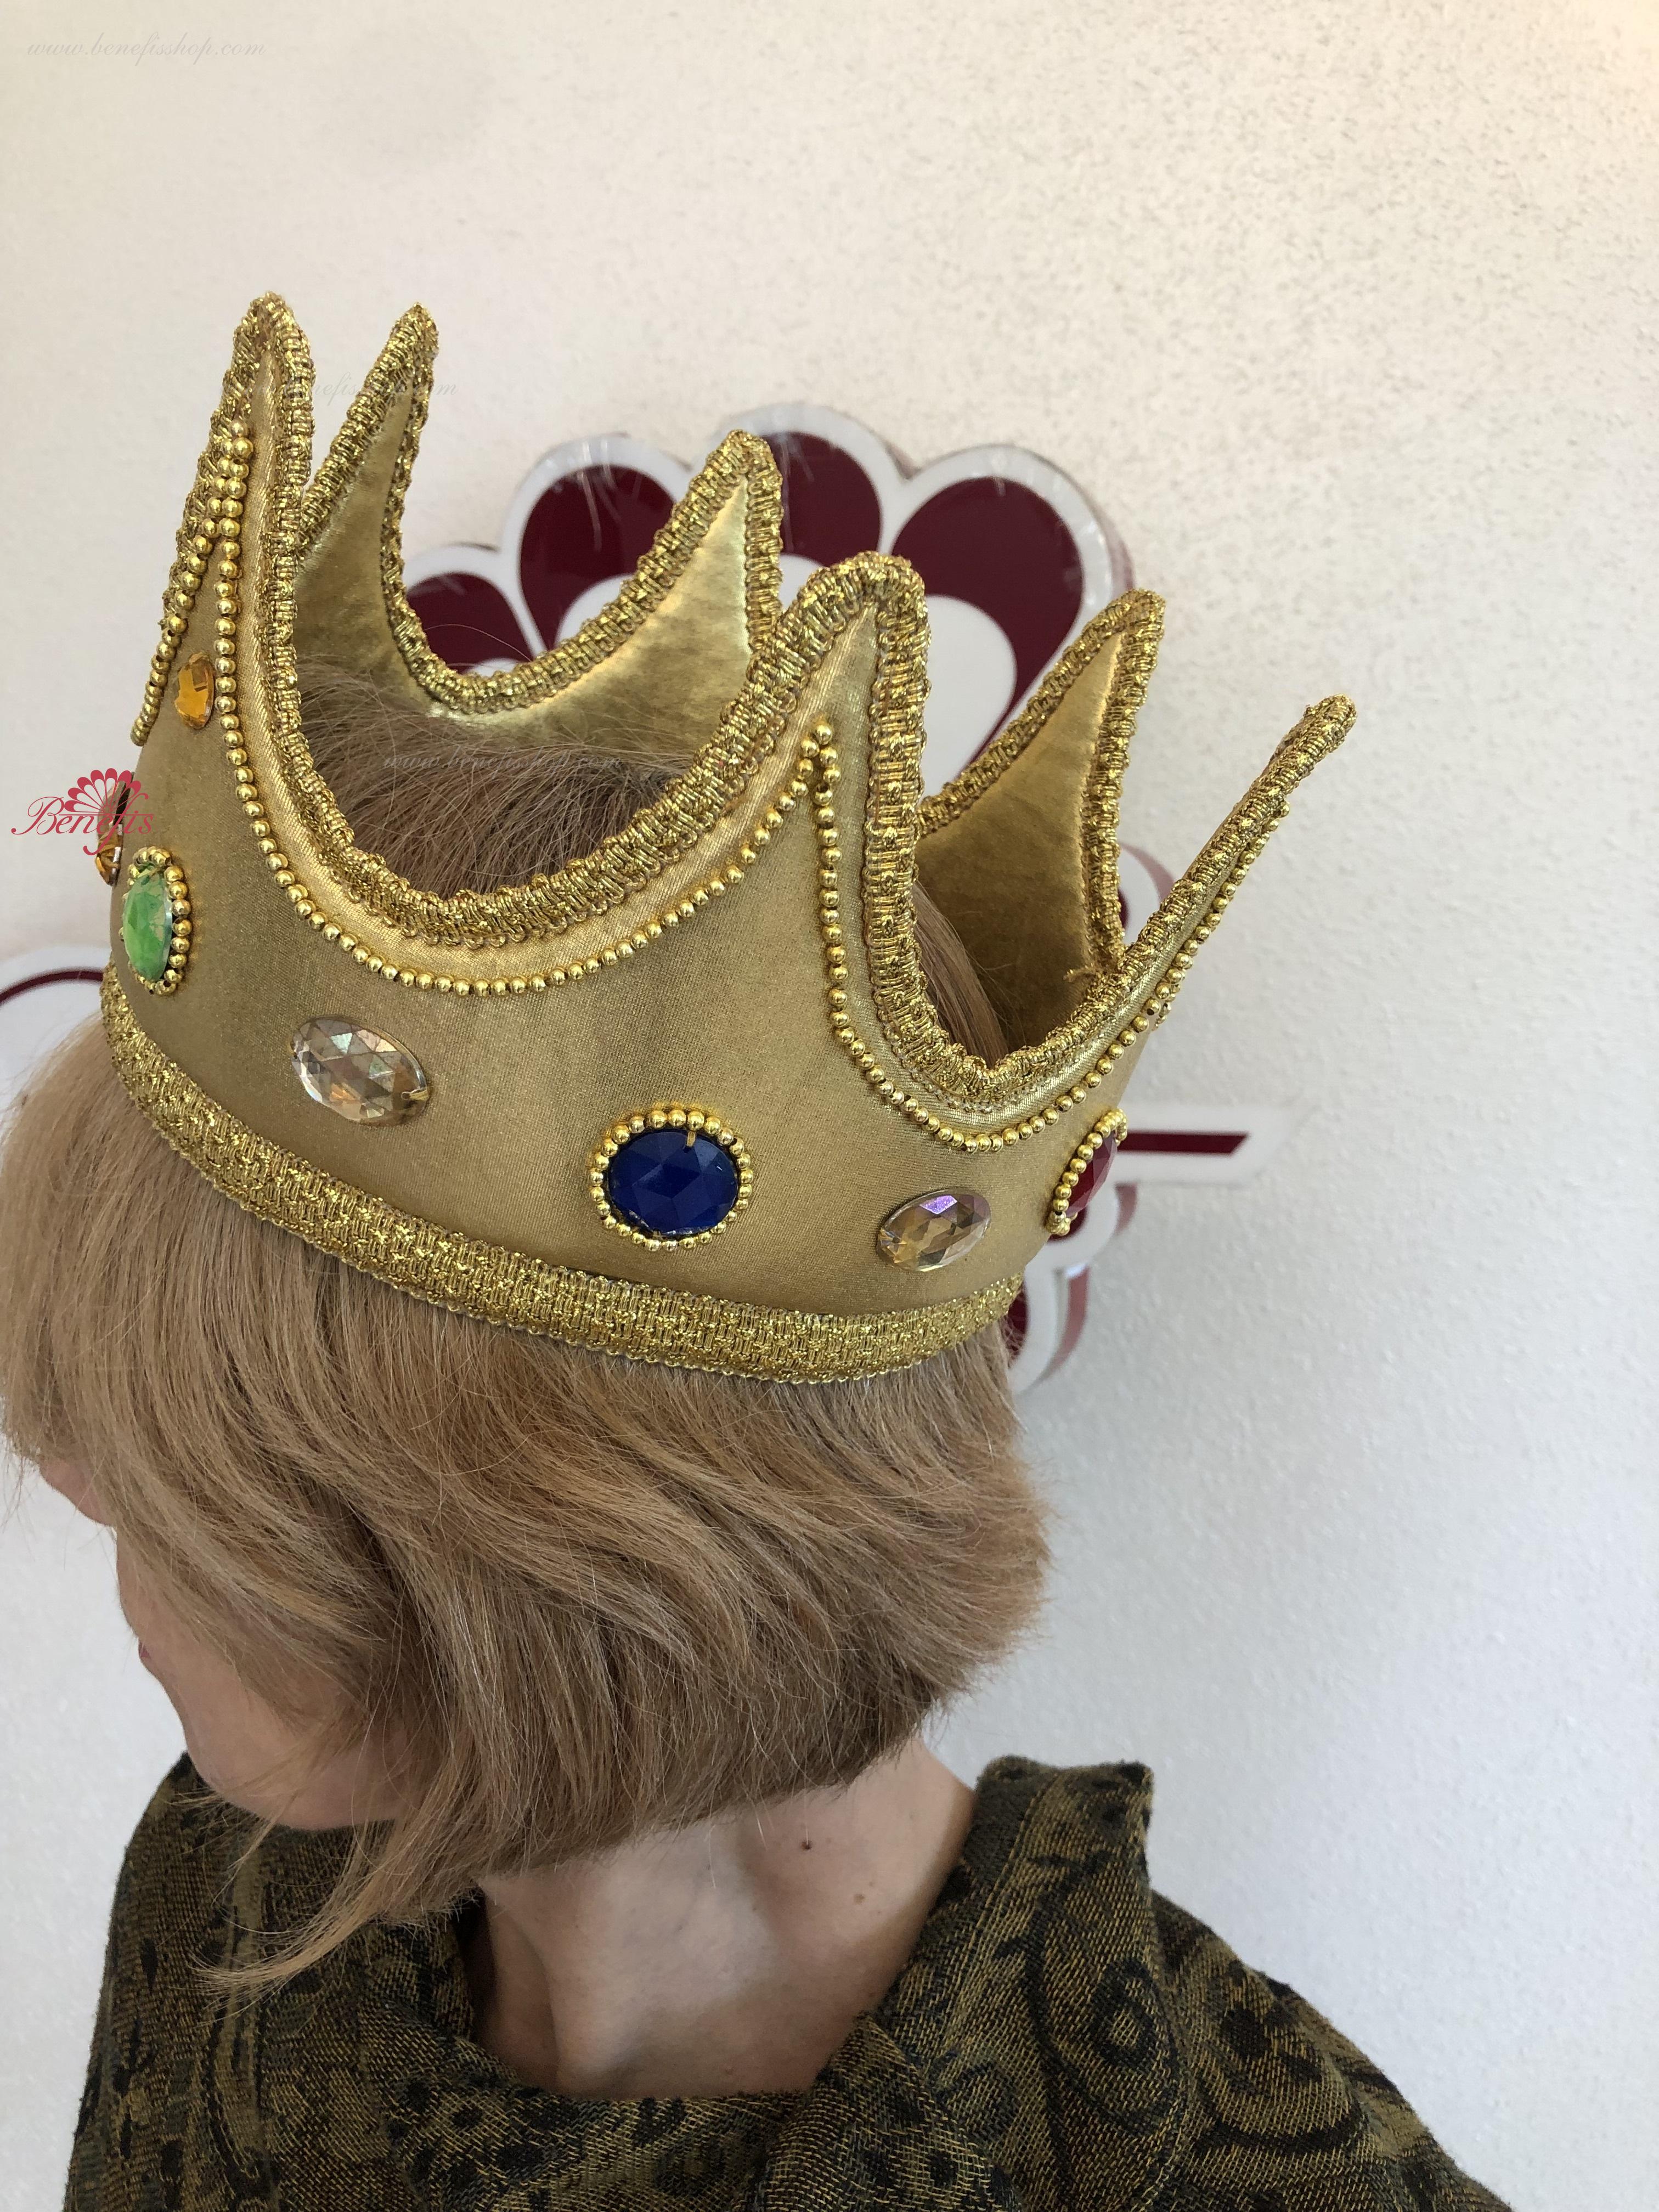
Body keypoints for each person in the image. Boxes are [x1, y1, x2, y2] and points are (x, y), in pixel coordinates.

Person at [0, 297, 1505, 2210]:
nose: (66, 1474)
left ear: (527, 1553)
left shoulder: (1216, 2171)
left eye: (188, 1459)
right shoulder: (242, 1895)